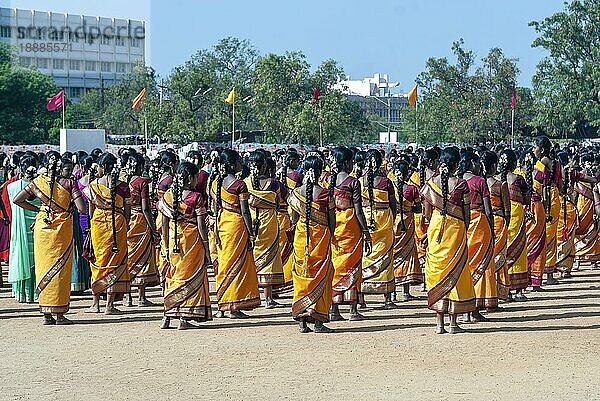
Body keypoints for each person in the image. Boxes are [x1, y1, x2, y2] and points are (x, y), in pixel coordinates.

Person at [13, 152, 87, 325]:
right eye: (67, 169)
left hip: (43, 229)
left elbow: (18, 200)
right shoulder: (69, 183)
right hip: (61, 229)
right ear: (60, 168)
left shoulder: (38, 182)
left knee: (44, 268)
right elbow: (82, 208)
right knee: (60, 270)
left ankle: (46, 314)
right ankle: (60, 314)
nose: (69, 172)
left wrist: (39, 210)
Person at [422, 146, 475, 334]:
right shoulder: (461, 184)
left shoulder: (431, 183)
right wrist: (465, 229)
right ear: (456, 164)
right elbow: (467, 215)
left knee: (437, 271)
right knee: (456, 271)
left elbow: (427, 213)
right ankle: (453, 323)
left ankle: (439, 324)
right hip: (456, 228)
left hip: (436, 228)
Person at [159, 162, 212, 329]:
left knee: (173, 276)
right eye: (196, 177)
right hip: (192, 242)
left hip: (173, 241)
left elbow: (165, 225)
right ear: (190, 178)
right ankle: (183, 318)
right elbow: (202, 226)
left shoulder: (167, 196)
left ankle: (167, 315)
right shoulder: (196, 198)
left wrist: (166, 246)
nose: (197, 180)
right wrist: (206, 247)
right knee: (189, 277)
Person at [211, 149, 261, 318]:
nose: (242, 163)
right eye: (239, 160)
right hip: (236, 226)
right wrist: (251, 234)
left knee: (224, 264)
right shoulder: (239, 185)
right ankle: (233, 306)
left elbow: (214, 207)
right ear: (232, 165)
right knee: (238, 264)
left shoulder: (215, 183)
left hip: (221, 224)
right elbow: (245, 212)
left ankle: (222, 304)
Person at [288, 155, 335, 333]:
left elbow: (293, 221)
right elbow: (332, 221)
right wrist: (332, 237)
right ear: (319, 172)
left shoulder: (296, 193)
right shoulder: (324, 194)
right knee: (322, 276)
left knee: (301, 275)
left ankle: (301, 320)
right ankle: (318, 322)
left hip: (301, 238)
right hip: (321, 239)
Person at [84, 153, 131, 315]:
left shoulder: (93, 186)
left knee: (98, 262)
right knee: (115, 262)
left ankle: (95, 303)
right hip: (118, 224)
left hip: (98, 225)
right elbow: (127, 213)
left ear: (102, 167)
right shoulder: (123, 187)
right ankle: (109, 305)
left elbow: (90, 212)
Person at [328, 146, 372, 321]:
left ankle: (334, 309)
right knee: (353, 265)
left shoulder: (328, 180)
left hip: (335, 226)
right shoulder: (353, 182)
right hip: (351, 226)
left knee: (336, 266)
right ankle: (353, 310)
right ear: (347, 163)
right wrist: (366, 231)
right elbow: (359, 210)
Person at [245, 150, 285, 307]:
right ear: (264, 166)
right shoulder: (273, 183)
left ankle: (252, 294)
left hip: (251, 222)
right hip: (269, 223)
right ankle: (268, 299)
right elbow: (278, 202)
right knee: (269, 258)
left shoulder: (245, 183)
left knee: (252, 257)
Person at [461, 150, 497, 320]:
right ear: (472, 163)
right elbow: (488, 210)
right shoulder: (480, 181)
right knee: (482, 264)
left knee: (467, 265)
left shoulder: (456, 182)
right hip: (480, 224)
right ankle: (475, 309)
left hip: (464, 224)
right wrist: (492, 229)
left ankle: (465, 307)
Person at [360, 149, 397, 308]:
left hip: (366, 220)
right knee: (386, 257)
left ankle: (361, 299)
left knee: (364, 257)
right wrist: (392, 218)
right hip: (383, 220)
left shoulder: (359, 181)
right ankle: (387, 299)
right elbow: (393, 204)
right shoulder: (386, 182)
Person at [125, 153, 160, 306]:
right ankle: (141, 296)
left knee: (128, 257)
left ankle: (128, 297)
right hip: (140, 220)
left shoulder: (122, 181)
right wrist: (153, 228)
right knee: (143, 257)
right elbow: (146, 208)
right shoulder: (142, 182)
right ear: (140, 166)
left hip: (127, 220)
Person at [7, 155, 39, 303]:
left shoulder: (11, 187)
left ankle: (22, 294)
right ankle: (36, 292)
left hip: (21, 230)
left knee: (22, 256)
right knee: (38, 258)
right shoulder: (41, 185)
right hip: (39, 226)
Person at [500, 149, 531, 301]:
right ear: (514, 164)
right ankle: (518, 291)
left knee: (503, 251)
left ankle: (504, 289)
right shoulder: (518, 179)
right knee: (519, 252)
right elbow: (527, 199)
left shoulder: (496, 180)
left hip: (501, 220)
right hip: (516, 217)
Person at [391, 158, 423, 301]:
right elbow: (418, 208)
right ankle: (405, 292)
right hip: (407, 223)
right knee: (408, 253)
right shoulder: (411, 189)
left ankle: (392, 293)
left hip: (392, 223)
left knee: (392, 254)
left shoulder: (389, 187)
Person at [533, 136, 562, 286]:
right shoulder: (558, 163)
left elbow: (537, 184)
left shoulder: (540, 163)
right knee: (552, 236)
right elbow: (561, 185)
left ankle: (539, 274)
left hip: (546, 200)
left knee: (541, 236)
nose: (533, 150)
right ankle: (549, 273)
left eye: (535, 147)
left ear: (542, 149)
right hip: (555, 198)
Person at [483, 151, 511, 303]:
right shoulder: (500, 185)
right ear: (494, 166)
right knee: (500, 256)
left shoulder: (477, 183)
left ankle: (486, 290)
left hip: (482, 224)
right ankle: (499, 290)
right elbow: (507, 210)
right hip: (499, 223)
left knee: (486, 257)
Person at [574, 153, 600, 269]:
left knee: (592, 230)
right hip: (583, 207)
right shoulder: (580, 178)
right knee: (581, 231)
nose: (588, 164)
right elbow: (575, 195)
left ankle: (592, 259)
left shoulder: (594, 177)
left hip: (592, 206)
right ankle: (579, 259)